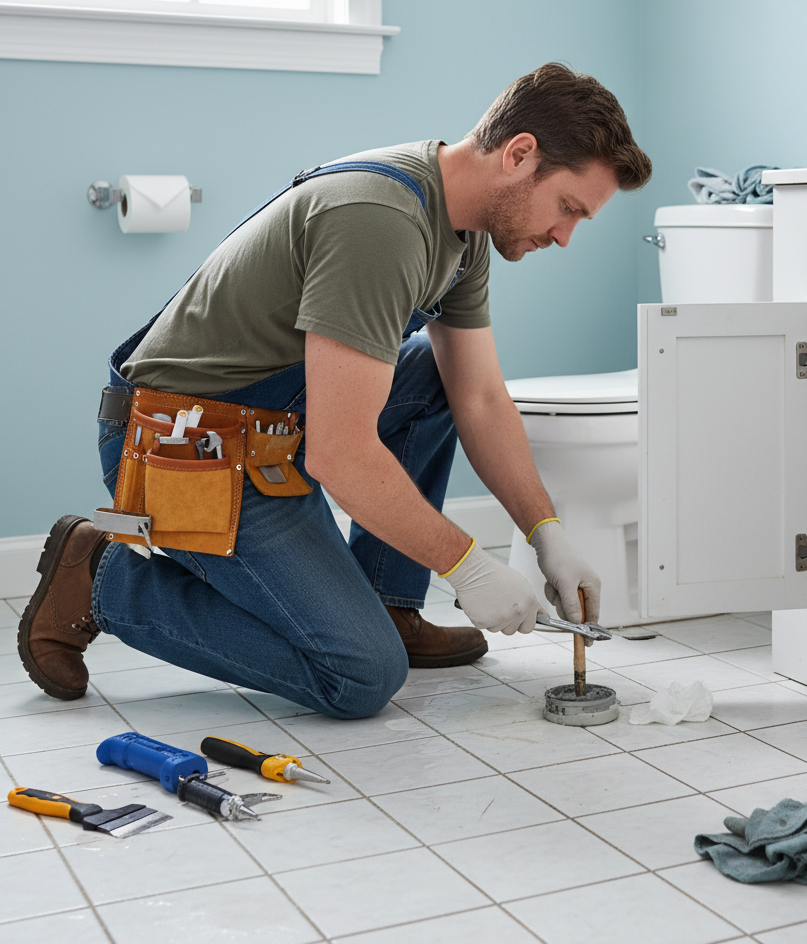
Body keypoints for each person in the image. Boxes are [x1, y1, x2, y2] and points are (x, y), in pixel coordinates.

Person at [19, 62, 652, 718]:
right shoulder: (381, 223)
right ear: (520, 155)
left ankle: (385, 601)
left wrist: (544, 529)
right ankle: (102, 581)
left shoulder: (463, 236)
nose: (565, 235)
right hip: (187, 447)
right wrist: (467, 565)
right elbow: (340, 454)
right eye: (568, 208)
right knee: (359, 674)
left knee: (437, 373)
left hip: (273, 429)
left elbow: (481, 397)